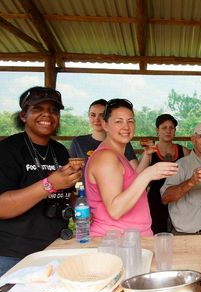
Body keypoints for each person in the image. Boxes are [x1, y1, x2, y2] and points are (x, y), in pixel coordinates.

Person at [0, 86, 82, 276]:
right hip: (12, 256)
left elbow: (64, 195)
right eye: (38, 109)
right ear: (23, 115)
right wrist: (50, 184)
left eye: (53, 110)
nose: (47, 114)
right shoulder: (7, 151)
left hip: (54, 249)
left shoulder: (60, 151)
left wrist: (79, 206)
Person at [85, 99, 178, 236]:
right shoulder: (106, 157)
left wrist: (146, 156)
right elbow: (115, 210)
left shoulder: (118, 154)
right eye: (118, 121)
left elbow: (131, 185)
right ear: (105, 125)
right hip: (115, 241)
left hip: (130, 240)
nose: (126, 127)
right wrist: (148, 174)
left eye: (130, 121)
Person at [161, 121, 201, 234]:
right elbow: (165, 198)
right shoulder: (181, 165)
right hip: (184, 235)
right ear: (193, 139)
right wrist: (190, 182)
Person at [147, 114, 190, 233]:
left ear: (175, 131)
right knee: (157, 233)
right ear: (157, 131)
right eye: (164, 128)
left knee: (178, 231)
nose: (168, 131)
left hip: (178, 197)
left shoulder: (184, 151)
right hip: (156, 200)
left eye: (171, 128)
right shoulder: (150, 153)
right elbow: (140, 176)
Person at [69, 99, 139, 172]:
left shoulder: (121, 141)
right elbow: (71, 172)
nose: (96, 119)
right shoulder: (78, 142)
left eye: (101, 115)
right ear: (88, 116)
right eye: (93, 115)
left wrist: (147, 155)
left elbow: (136, 171)